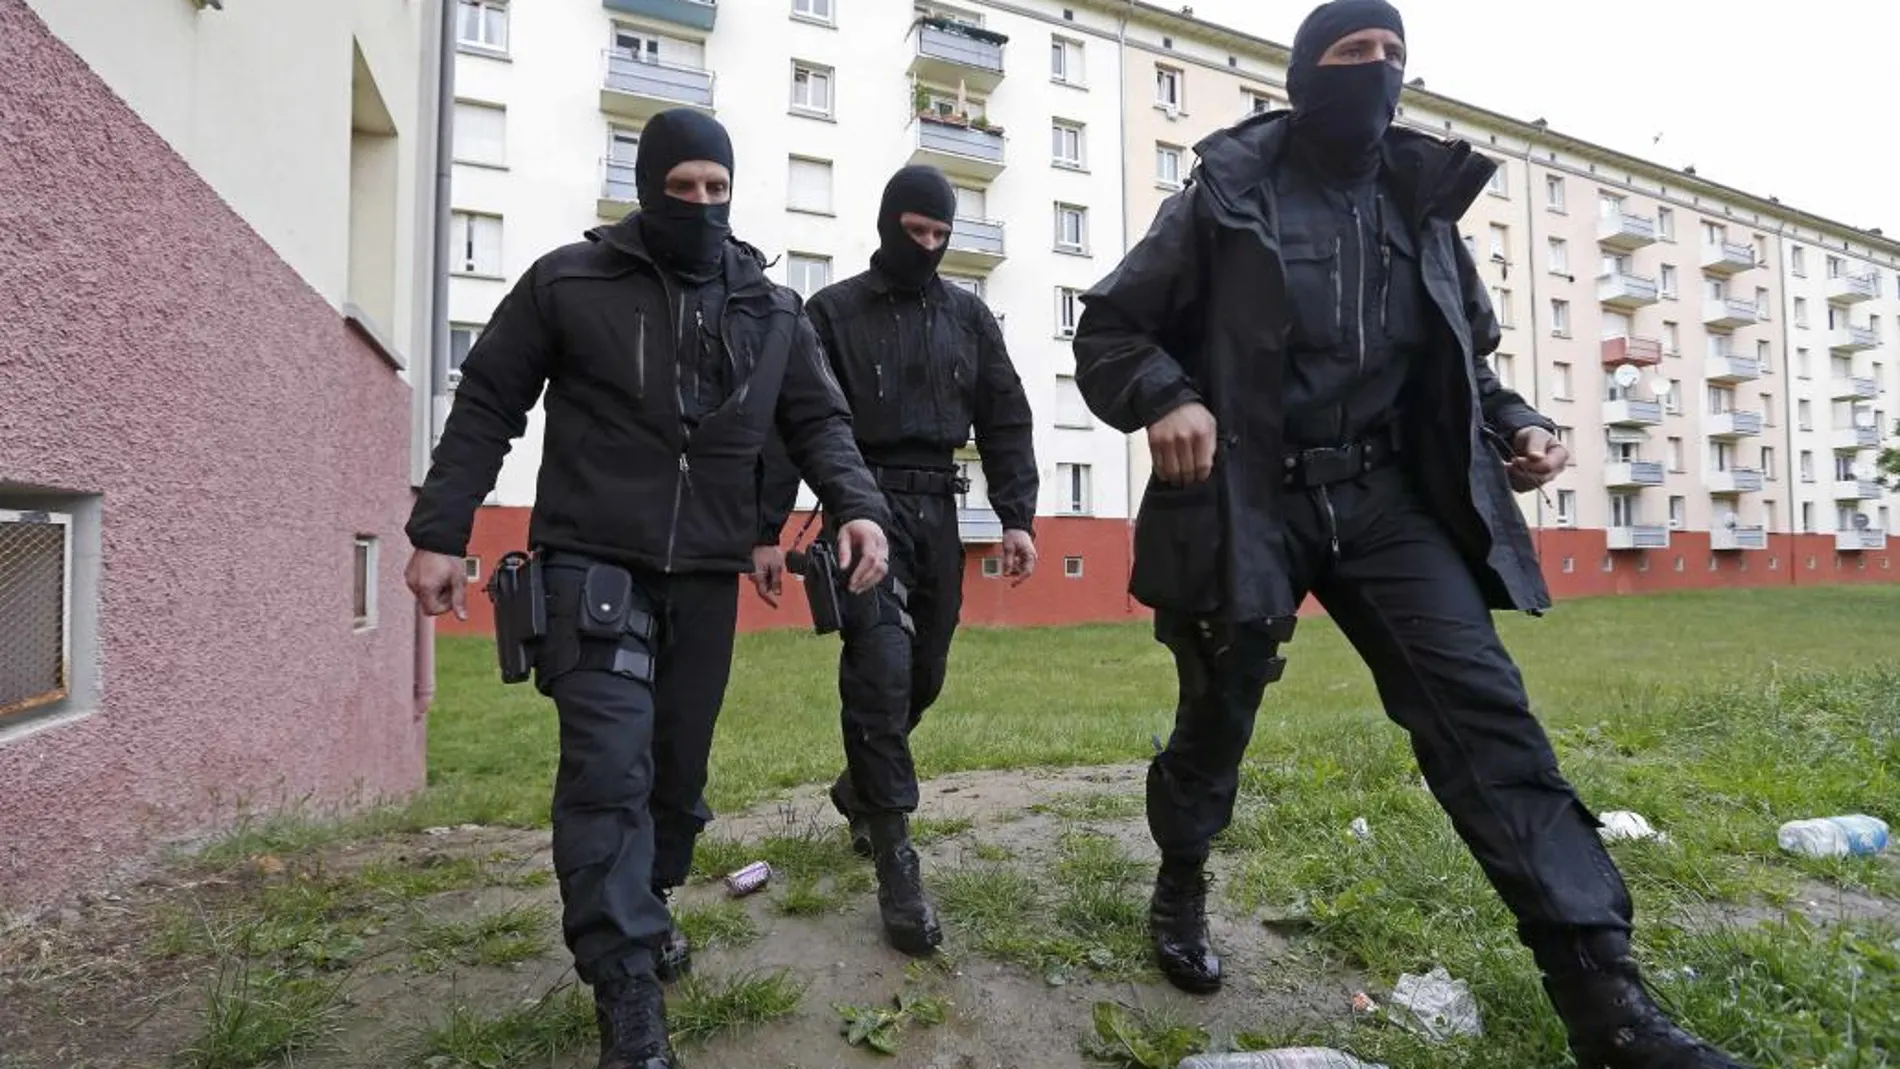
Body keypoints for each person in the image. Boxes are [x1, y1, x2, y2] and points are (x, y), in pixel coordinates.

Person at [1070, 4, 1749, 1067]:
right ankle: (1182, 874)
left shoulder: (1423, 208)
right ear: (1304, 77)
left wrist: (1516, 421)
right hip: (1252, 496)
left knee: (1484, 715)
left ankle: (1603, 997)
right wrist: (1164, 392)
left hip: (1389, 502)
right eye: (1352, 55)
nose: (1377, 70)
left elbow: (1462, 368)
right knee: (1216, 711)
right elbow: (1111, 326)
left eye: (1393, 56)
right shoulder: (1223, 196)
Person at [402, 109, 890, 1069]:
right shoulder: (569, 280)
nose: (701, 205)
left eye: (717, 188)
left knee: (676, 775)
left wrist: (856, 506)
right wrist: (440, 531)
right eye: (682, 189)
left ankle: (648, 900)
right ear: (647, 187)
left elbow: (820, 421)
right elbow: (491, 397)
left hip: (705, 572)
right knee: (607, 766)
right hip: (592, 561)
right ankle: (626, 986)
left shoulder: (772, 308)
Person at [759, 165, 1039, 957]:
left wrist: (1017, 516)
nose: (927, 246)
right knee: (880, 666)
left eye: (939, 235)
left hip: (941, 511)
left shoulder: (969, 317)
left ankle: (859, 787)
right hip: (861, 510)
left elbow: (1007, 416)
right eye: (914, 231)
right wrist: (765, 527)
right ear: (888, 225)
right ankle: (895, 855)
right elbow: (795, 424)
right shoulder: (832, 312)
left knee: (926, 672)